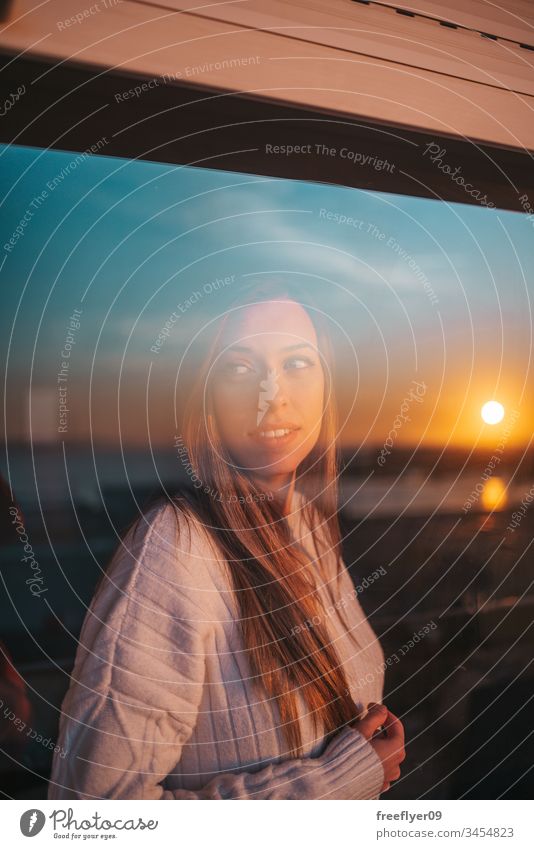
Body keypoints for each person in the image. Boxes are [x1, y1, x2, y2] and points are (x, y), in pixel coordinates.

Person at [48, 281, 405, 799]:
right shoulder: (175, 550)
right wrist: (337, 782)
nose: (272, 393)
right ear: (206, 393)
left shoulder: (309, 523)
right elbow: (91, 814)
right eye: (239, 368)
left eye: (298, 364)